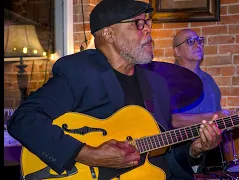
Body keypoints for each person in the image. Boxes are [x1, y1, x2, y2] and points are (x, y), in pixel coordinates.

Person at [7, 0, 222, 180]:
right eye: (138, 23)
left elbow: (164, 161)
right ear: (109, 34)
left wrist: (195, 151)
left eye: (148, 22)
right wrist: (88, 154)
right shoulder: (81, 73)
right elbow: (23, 120)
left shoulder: (157, 85)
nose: (148, 29)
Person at [171, 29, 225, 174]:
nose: (198, 45)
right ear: (177, 51)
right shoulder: (167, 79)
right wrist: (214, 116)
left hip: (211, 150)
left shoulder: (209, 80)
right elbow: (171, 120)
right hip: (179, 154)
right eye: (190, 41)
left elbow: (218, 120)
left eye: (199, 40)